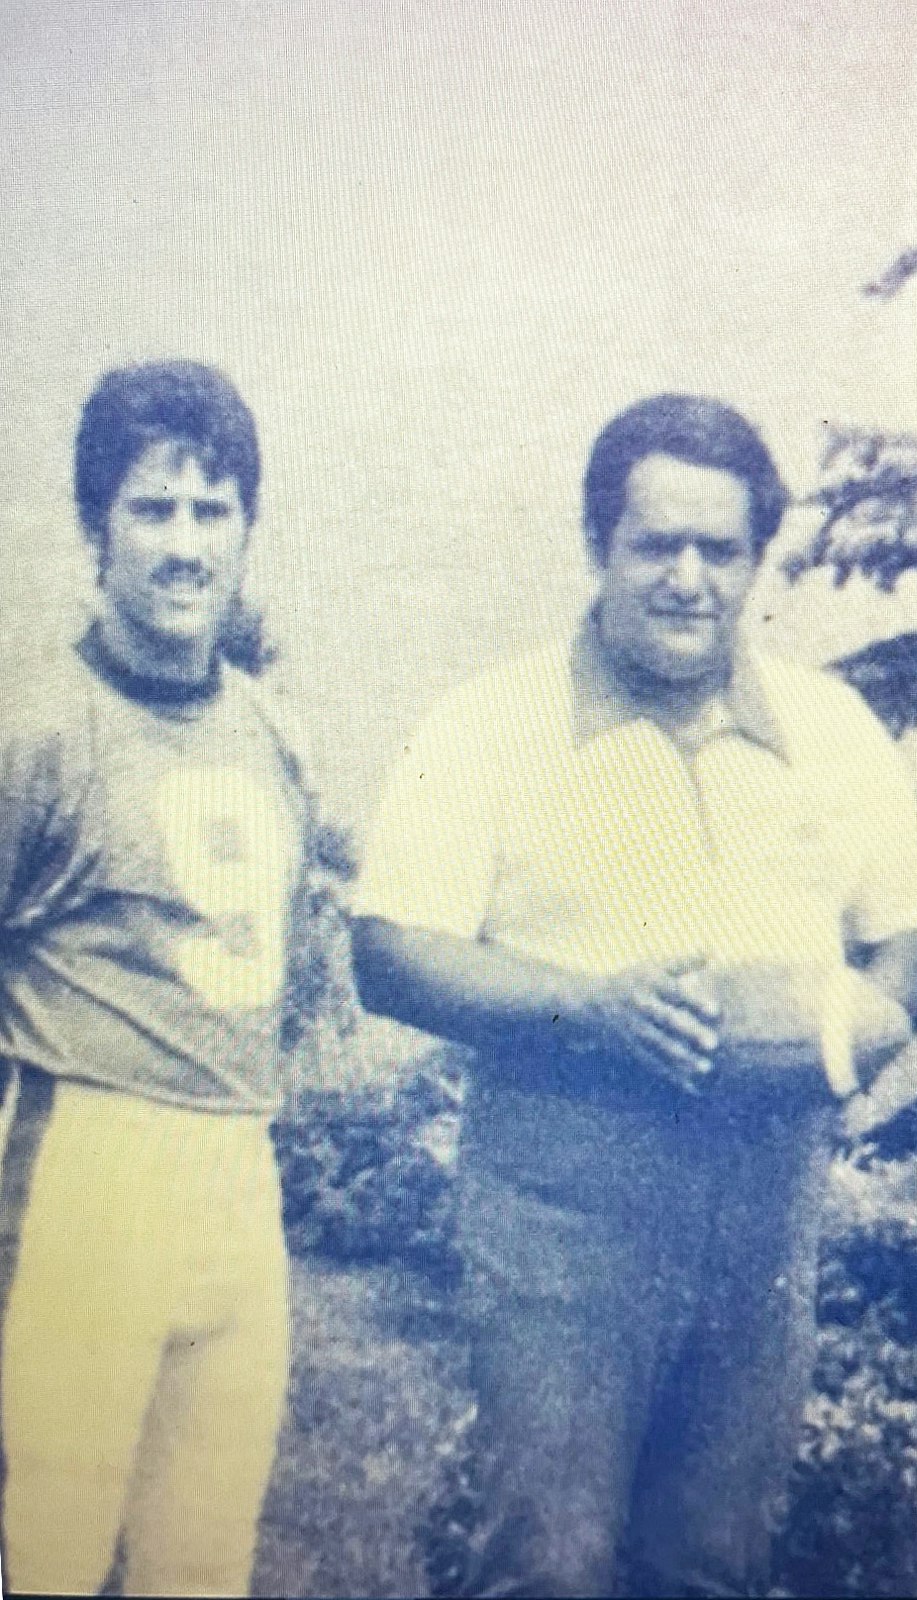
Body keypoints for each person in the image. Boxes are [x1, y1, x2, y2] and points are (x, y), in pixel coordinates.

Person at [351, 392, 917, 1598]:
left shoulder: (828, 728)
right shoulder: (489, 720)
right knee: (549, 1564)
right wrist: (589, 1010)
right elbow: (389, 947)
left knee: (710, 1563)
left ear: (753, 562)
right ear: (598, 547)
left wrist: (854, 1035)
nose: (688, 578)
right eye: (654, 545)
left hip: (760, 1211)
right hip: (562, 1205)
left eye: (719, 550)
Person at [0, 360, 312, 1595]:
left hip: (240, 1170)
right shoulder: (39, 728)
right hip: (87, 1165)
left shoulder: (272, 730)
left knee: (203, 1560)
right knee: (51, 1551)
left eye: (212, 510)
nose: (186, 547)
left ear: (245, 529)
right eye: (152, 510)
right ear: (94, 529)